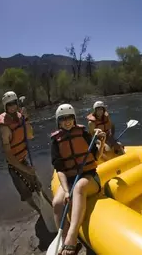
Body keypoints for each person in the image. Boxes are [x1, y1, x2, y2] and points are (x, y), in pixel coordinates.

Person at [51, 104, 106, 255]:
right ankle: (63, 238)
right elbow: (60, 170)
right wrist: (66, 191)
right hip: (69, 180)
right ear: (59, 122)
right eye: (63, 119)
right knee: (57, 203)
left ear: (74, 119)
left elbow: (96, 157)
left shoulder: (82, 133)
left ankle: (72, 236)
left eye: (69, 118)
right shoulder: (56, 141)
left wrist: (101, 143)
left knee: (79, 187)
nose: (67, 121)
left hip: (90, 178)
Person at [0, 91, 44, 213]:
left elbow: (30, 135)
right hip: (15, 165)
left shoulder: (21, 117)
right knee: (26, 194)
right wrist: (26, 170)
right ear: (5, 106)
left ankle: (46, 204)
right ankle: (38, 210)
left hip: (24, 159)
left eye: (14, 103)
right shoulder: (4, 127)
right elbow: (9, 157)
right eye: (9, 104)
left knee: (38, 185)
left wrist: (26, 119)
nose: (12, 106)